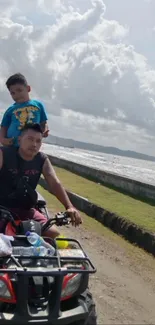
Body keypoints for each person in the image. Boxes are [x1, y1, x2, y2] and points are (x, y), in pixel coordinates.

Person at [0, 123, 82, 238]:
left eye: (38, 141)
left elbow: (54, 182)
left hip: (26, 210)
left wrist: (69, 206)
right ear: (19, 139)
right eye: (30, 139)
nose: (34, 144)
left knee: (53, 234)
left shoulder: (41, 159)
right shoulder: (4, 153)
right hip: (2, 207)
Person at [0, 73, 49, 147]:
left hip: (30, 147)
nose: (17, 95)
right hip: (11, 146)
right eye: (13, 93)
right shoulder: (11, 109)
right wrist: (3, 140)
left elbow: (44, 122)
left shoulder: (38, 105)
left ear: (28, 88)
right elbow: (4, 127)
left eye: (19, 90)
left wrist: (44, 130)